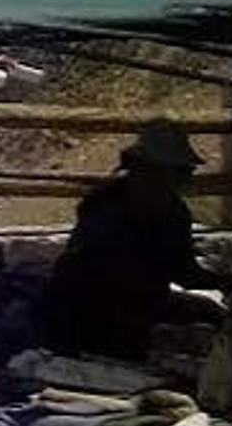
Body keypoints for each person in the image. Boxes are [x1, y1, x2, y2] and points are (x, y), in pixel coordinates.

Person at [42, 124, 210, 361]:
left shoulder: (117, 201)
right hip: (95, 314)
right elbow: (182, 273)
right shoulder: (110, 210)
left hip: (117, 306)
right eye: (180, 173)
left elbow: (181, 272)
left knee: (204, 313)